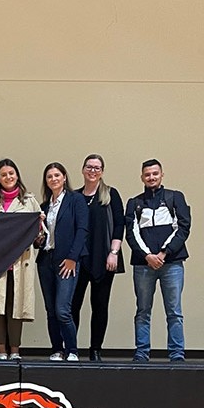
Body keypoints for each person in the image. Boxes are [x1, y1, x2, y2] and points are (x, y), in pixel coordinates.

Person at [0, 158, 43, 360]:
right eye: (3, 175)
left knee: (16, 306)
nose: (8, 177)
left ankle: (15, 351)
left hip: (21, 262)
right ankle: (1, 351)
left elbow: (40, 237)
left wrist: (38, 225)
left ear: (17, 175)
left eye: (11, 174)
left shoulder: (29, 201)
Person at [125, 159, 192, 363]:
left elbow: (183, 227)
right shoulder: (134, 203)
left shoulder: (175, 197)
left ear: (162, 175)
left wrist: (163, 253)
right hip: (143, 265)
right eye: (147, 174)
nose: (151, 177)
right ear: (141, 177)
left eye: (155, 173)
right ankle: (142, 352)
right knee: (143, 311)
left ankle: (176, 354)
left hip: (171, 264)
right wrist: (147, 256)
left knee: (174, 312)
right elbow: (131, 233)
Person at [71, 154, 125, 362]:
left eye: (97, 168)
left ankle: (95, 350)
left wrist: (114, 253)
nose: (93, 171)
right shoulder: (74, 197)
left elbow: (120, 224)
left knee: (100, 305)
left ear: (102, 171)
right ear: (83, 169)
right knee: (73, 306)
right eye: (89, 167)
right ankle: (72, 350)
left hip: (104, 258)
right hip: (78, 259)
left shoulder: (111, 194)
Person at [36, 162, 89, 362]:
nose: (54, 179)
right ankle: (57, 349)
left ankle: (72, 350)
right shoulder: (44, 206)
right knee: (51, 310)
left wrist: (72, 258)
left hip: (67, 260)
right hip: (45, 261)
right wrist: (38, 239)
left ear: (64, 177)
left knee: (62, 309)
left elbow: (82, 230)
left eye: (57, 175)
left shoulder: (76, 200)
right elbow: (41, 238)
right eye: (49, 177)